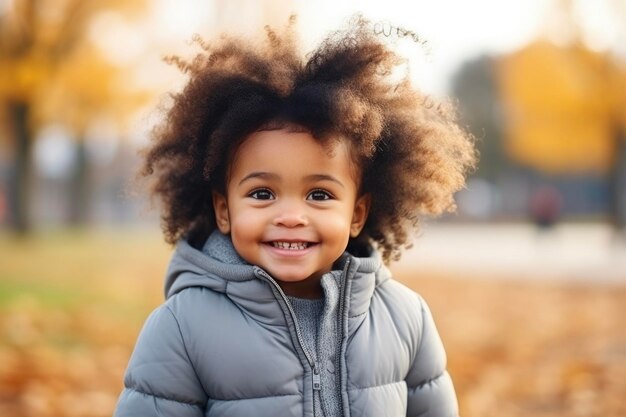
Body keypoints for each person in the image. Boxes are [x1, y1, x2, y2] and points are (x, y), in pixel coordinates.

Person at [114, 15, 476, 417]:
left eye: (318, 194)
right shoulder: (181, 329)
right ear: (224, 210)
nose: (290, 216)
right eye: (262, 193)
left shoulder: (405, 318)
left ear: (357, 214)